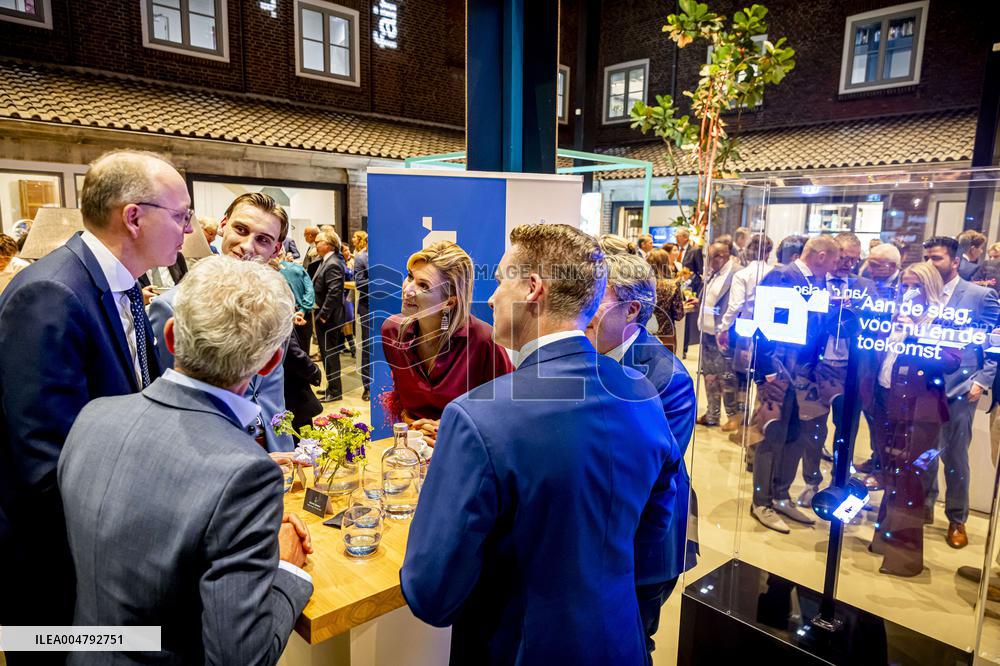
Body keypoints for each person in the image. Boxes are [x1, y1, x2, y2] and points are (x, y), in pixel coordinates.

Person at [401, 224, 681, 664]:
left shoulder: (479, 417)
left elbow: (431, 592)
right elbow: (655, 534)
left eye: (500, 280)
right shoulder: (643, 394)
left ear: (532, 288)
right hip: (620, 643)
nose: (491, 298)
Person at [59, 257, 313, 664]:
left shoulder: (92, 416)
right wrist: (286, 569)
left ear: (171, 336)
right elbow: (241, 658)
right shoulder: (245, 473)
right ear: (269, 363)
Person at [0, 149, 191, 634]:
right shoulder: (51, 293)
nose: (188, 230)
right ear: (133, 217)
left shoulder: (122, 286)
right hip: (60, 564)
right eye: (181, 215)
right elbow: (45, 461)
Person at [585, 253, 696, 659]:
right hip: (597, 544)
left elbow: (645, 479)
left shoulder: (668, 379)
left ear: (631, 309)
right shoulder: (583, 355)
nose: (581, 306)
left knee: (630, 645)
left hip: (642, 552)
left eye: (595, 296)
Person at [149, 192, 295, 453]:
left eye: (263, 240)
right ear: (223, 225)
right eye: (241, 229)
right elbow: (167, 395)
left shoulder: (280, 304)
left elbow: (271, 384)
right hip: (206, 450)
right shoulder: (174, 305)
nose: (247, 246)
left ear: (276, 249)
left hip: (275, 445)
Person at [861, 262, 961, 576]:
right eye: (904, 285)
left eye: (914, 285)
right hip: (885, 400)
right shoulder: (893, 313)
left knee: (910, 478)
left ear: (928, 286)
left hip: (921, 409)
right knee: (891, 474)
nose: (908, 291)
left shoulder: (941, 317)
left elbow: (951, 362)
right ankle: (884, 541)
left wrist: (919, 334)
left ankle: (905, 558)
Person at [747, 235, 840, 533]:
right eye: (836, 260)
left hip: (804, 374)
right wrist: (765, 373)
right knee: (771, 434)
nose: (838, 266)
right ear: (822, 255)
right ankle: (761, 501)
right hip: (779, 370)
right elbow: (762, 326)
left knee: (795, 435)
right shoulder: (783, 275)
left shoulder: (819, 282)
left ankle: (781, 494)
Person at [381, 241, 512, 444]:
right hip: (413, 448)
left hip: (470, 450)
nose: (408, 290)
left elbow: (508, 407)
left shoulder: (483, 340)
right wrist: (416, 426)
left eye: (423, 286)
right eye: (410, 277)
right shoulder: (391, 331)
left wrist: (450, 428)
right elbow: (403, 400)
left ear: (449, 301)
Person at [921, 236, 1000, 548]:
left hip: (961, 387)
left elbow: (994, 343)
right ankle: (925, 505)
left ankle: (957, 518)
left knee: (954, 457)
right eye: (927, 257)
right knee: (924, 453)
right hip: (924, 385)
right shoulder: (921, 292)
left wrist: (983, 380)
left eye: (937, 258)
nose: (931, 264)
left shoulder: (981, 295)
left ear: (955, 261)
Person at [797, 233, 875, 506]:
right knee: (812, 429)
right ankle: (811, 481)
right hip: (817, 367)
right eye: (843, 257)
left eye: (854, 259)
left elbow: (877, 325)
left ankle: (838, 483)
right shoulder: (814, 282)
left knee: (847, 430)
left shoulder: (865, 287)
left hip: (851, 371)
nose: (848, 265)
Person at [697, 241, 742, 430]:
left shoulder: (736, 273)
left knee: (726, 376)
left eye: (709, 257)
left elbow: (736, 305)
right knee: (709, 376)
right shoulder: (714, 274)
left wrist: (724, 329)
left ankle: (733, 415)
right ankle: (712, 413)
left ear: (721, 256)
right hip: (706, 333)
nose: (706, 261)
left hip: (722, 334)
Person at [313, 230, 348, 402]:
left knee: (330, 354)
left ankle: (335, 391)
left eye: (318, 241)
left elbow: (335, 292)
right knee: (327, 354)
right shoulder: (325, 261)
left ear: (328, 244)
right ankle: (331, 387)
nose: (315, 244)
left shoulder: (333, 263)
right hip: (326, 316)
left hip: (329, 318)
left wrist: (323, 315)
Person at [279, 251, 316, 354]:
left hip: (282, 319)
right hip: (302, 315)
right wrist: (303, 310)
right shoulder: (298, 268)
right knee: (304, 352)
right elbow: (310, 290)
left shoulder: (266, 272)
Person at [647, 248, 685, 341]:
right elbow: (679, 315)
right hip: (666, 335)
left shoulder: (641, 284)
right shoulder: (673, 285)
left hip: (644, 333)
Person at [352, 231, 371, 401]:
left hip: (387, 307)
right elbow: (359, 284)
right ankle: (367, 386)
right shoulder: (361, 258)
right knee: (368, 347)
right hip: (367, 308)